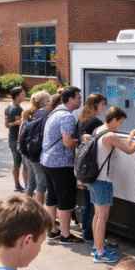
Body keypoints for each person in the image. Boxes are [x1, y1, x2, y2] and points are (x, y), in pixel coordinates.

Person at [88, 106, 135, 263]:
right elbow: (129, 150)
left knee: (98, 215)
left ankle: (97, 246)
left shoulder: (99, 130)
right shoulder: (110, 135)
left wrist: (131, 135)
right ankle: (100, 254)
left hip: (94, 179)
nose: (121, 126)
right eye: (121, 122)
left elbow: (122, 146)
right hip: (103, 181)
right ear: (114, 120)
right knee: (102, 217)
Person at [40, 86, 83, 244]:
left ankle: (52, 230)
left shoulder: (55, 112)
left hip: (47, 161)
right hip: (61, 164)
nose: (80, 100)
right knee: (64, 200)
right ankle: (66, 235)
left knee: (51, 198)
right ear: (70, 99)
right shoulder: (67, 117)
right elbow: (67, 142)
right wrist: (79, 140)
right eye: (78, 98)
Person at [76, 92, 107, 241]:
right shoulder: (95, 122)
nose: (103, 108)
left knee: (86, 198)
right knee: (92, 202)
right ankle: (89, 233)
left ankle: (85, 230)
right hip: (91, 166)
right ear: (95, 105)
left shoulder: (82, 119)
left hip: (81, 164)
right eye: (102, 105)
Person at [19, 91, 50, 203]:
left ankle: (26, 207)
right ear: (43, 103)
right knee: (41, 183)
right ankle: (38, 211)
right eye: (48, 100)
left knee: (31, 183)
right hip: (34, 151)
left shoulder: (28, 112)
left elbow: (22, 131)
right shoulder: (42, 115)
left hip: (26, 150)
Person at [5, 88, 27, 192]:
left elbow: (7, 124)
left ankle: (17, 184)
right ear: (17, 96)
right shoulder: (18, 109)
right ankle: (26, 186)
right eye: (22, 94)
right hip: (17, 138)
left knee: (16, 162)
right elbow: (20, 124)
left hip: (11, 138)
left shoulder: (8, 106)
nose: (24, 95)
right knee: (23, 164)